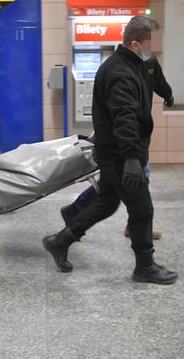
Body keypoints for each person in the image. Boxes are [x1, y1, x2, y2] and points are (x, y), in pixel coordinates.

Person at [43, 16, 178, 285]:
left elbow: (155, 76)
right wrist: (131, 158)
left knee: (106, 203)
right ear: (135, 43)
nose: (157, 49)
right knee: (142, 210)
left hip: (119, 152)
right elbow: (124, 117)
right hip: (119, 154)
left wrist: (168, 93)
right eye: (153, 43)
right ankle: (145, 266)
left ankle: (60, 241)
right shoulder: (119, 72)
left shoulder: (142, 62)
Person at [59, 56, 174, 240]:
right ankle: (137, 233)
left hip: (134, 136)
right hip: (121, 139)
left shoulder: (150, 64)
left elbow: (158, 81)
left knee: (112, 188)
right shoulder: (118, 67)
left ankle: (70, 220)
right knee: (131, 184)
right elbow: (121, 113)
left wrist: (167, 94)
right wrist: (130, 153)